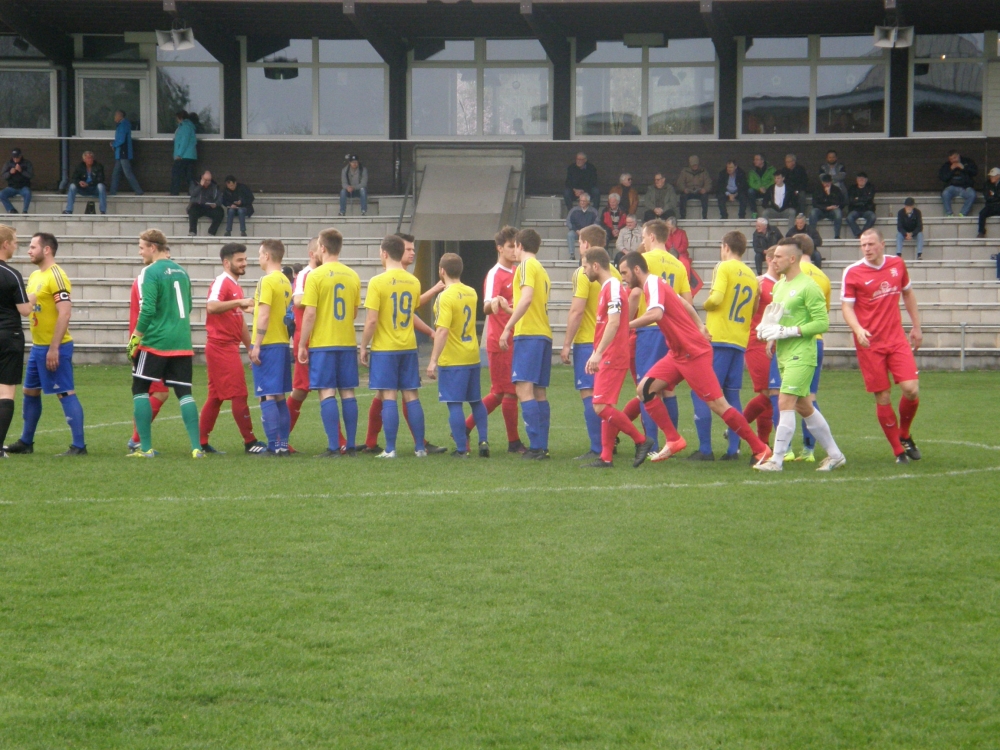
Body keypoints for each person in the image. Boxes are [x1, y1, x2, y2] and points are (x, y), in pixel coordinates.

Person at [623, 251, 770, 465]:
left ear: (636, 269)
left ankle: (760, 449)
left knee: (718, 404)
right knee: (645, 389)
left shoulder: (652, 284)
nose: (624, 278)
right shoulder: (656, 284)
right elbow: (684, 303)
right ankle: (673, 439)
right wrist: (700, 325)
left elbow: (655, 314)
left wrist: (625, 326)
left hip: (693, 353)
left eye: (625, 272)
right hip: (678, 353)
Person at [754, 238, 845, 472]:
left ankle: (776, 460)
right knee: (804, 407)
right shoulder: (779, 286)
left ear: (792, 259)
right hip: (784, 353)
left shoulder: (809, 286)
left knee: (784, 401)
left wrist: (790, 331)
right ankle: (836, 455)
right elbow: (778, 319)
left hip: (803, 353)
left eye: (778, 257)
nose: (773, 261)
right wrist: (769, 333)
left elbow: (822, 323)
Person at [841, 228, 922, 464]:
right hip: (870, 344)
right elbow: (846, 307)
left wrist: (916, 327)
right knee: (883, 395)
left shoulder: (897, 264)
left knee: (911, 389)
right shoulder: (853, 271)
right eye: (863, 245)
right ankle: (898, 451)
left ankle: (904, 433)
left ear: (882, 244)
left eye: (871, 244)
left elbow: (908, 294)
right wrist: (858, 329)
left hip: (896, 339)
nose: (866, 249)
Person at [361, 233, 448, 455]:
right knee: (412, 395)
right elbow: (410, 312)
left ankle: (390, 449)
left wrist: (363, 346)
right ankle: (420, 448)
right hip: (408, 347)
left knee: (389, 396)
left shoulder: (377, 282)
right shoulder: (414, 281)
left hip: (385, 348)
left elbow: (371, 320)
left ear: (384, 253)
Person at [4, 233, 85, 456]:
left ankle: (79, 446)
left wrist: (54, 348)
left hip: (54, 347)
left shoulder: (57, 276)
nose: (28, 251)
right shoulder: (34, 276)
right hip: (38, 346)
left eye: (33, 247)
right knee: (30, 392)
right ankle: (26, 442)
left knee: (65, 392)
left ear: (46, 249)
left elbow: (65, 313)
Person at [125, 229, 202, 458]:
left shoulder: (149, 272)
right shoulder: (182, 271)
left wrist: (135, 338)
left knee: (140, 389)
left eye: (141, 248)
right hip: (182, 342)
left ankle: (145, 448)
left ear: (152, 247)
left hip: (155, 342)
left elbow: (147, 309)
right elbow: (189, 306)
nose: (140, 253)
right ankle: (196, 448)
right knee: (184, 392)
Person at [579, 247, 654, 469]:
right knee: (607, 405)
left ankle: (641, 440)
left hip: (612, 354)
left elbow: (613, 322)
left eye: (585, 266)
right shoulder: (609, 287)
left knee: (600, 406)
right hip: (611, 353)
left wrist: (598, 353)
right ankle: (606, 457)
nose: (584, 271)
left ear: (595, 266)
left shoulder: (612, 287)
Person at [691, 230, 759, 460]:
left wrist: (705, 305)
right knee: (732, 396)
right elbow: (754, 308)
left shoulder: (724, 267)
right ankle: (733, 449)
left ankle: (705, 450)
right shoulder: (751, 275)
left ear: (726, 247)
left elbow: (717, 299)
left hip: (718, 337)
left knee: (702, 392)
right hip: (739, 340)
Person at [297, 228, 362, 457]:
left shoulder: (315, 276)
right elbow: (353, 312)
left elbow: (310, 313)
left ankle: (334, 446)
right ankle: (351, 445)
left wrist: (302, 344)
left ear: (322, 248)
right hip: (346, 341)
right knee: (348, 392)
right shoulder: (353, 275)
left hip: (323, 343)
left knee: (326, 391)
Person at [198, 243, 267, 455]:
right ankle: (250, 442)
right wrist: (238, 301)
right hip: (220, 346)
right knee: (239, 393)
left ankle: (200, 441)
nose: (244, 263)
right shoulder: (222, 282)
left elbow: (238, 321)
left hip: (227, 346)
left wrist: (250, 347)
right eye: (240, 260)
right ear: (227, 263)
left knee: (216, 396)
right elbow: (211, 306)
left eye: (245, 259)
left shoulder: (235, 285)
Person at [561, 225, 622, 460]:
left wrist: (567, 343)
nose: (579, 247)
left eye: (580, 243)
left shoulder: (583, 273)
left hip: (589, 341)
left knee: (589, 394)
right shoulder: (614, 272)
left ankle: (598, 447)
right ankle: (609, 442)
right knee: (604, 397)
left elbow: (577, 310)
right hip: (610, 341)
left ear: (586, 244)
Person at [631, 219, 691, 451]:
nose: (643, 241)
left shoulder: (643, 260)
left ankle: (652, 445)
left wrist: (627, 322)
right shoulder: (679, 264)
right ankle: (671, 441)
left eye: (643, 237)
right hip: (672, 329)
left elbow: (635, 292)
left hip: (649, 328)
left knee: (646, 386)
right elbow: (687, 301)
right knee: (668, 388)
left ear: (652, 237)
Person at [465, 226, 524, 453]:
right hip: (500, 340)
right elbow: (486, 306)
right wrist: (495, 302)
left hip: (513, 338)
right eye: (510, 246)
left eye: (516, 246)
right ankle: (513, 442)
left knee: (500, 392)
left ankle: (464, 427)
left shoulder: (517, 271)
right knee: (508, 392)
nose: (514, 250)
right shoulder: (495, 273)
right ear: (499, 248)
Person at [426, 253, 489, 458]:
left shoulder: (445, 297)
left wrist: (433, 360)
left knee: (454, 403)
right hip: (472, 354)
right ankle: (483, 441)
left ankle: (462, 449)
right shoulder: (471, 292)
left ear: (441, 271)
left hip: (453, 358)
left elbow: (442, 330)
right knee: (476, 401)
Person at [499, 228, 551, 460]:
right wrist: (509, 309)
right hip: (542, 333)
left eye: (515, 246)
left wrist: (507, 327)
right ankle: (542, 446)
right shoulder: (541, 269)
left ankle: (536, 447)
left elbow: (527, 298)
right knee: (539, 391)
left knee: (523, 389)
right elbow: (531, 305)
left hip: (528, 335)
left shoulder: (525, 266)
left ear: (520, 245)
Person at [248, 239, 293, 456]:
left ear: (267, 256)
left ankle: (273, 445)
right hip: (282, 342)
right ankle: (283, 444)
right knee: (280, 396)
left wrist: (256, 345)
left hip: (268, 343)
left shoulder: (266, 281)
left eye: (259, 254)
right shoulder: (285, 280)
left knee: (266, 395)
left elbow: (265, 315)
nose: (258, 258)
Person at [125, 244, 171, 453]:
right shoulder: (148, 279)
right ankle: (136, 439)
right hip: (149, 344)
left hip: (151, 342)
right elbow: (146, 313)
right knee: (158, 392)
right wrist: (137, 343)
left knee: (148, 392)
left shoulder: (148, 278)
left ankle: (137, 439)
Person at [792, 233, 832, 462]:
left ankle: (783, 449)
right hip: (817, 340)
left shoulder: (793, 271)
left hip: (796, 339)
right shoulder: (823, 277)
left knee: (785, 395)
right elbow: (823, 313)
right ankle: (809, 449)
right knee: (809, 396)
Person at [741, 244, 779, 448]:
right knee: (768, 393)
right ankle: (753, 437)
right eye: (777, 258)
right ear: (769, 260)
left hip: (779, 343)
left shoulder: (785, 285)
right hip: (757, 342)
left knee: (775, 393)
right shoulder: (759, 283)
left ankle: (741, 430)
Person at [0, 226, 31, 456]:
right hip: (9, 336)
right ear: (5, 244)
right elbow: (24, 310)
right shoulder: (11, 274)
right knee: (6, 391)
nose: (16, 246)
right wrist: (35, 298)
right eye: (15, 242)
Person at [287, 239, 321, 441]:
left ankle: (340, 442)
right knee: (300, 390)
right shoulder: (305, 275)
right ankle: (280, 437)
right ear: (312, 253)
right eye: (321, 249)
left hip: (324, 340)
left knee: (327, 389)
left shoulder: (328, 274)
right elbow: (298, 300)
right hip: (306, 341)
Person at [109, 110, 143, 196]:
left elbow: (121, 140)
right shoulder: (122, 125)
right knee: (116, 173)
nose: (114, 117)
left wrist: (114, 144)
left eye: (115, 115)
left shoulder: (123, 125)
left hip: (123, 152)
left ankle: (138, 191)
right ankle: (112, 192)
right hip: (120, 153)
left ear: (120, 116)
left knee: (127, 173)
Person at [63, 151, 107, 215]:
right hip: (83, 189)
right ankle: (69, 210)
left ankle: (103, 211)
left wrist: (88, 184)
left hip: (94, 188)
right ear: (84, 160)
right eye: (88, 158)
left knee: (101, 186)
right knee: (72, 186)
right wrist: (79, 182)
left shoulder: (98, 166)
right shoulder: (79, 167)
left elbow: (100, 179)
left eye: (91, 158)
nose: (90, 160)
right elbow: (73, 178)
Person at [938, 149, 977, 217]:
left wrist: (964, 168)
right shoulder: (947, 165)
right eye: (951, 159)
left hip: (965, 187)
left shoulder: (967, 162)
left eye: (955, 158)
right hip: (952, 187)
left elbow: (975, 172)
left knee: (972, 194)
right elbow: (943, 178)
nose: (954, 160)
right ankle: (949, 214)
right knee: (945, 193)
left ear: (958, 156)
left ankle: (963, 213)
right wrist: (951, 170)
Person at [188, 171, 224, 236]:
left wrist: (216, 204)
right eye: (206, 180)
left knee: (220, 212)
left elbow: (220, 198)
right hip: (198, 205)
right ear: (202, 178)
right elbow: (192, 194)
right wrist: (200, 185)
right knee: (192, 210)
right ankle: (192, 231)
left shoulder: (214, 186)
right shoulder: (194, 183)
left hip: (210, 207)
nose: (207, 182)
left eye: (209, 180)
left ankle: (211, 232)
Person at [170, 111, 198, 196]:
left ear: (180, 117)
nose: (176, 120)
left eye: (177, 118)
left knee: (176, 172)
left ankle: (174, 192)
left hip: (183, 155)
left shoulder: (184, 127)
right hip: (191, 155)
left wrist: (179, 154)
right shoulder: (190, 126)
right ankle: (192, 192)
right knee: (189, 175)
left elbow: (184, 141)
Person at [808, 174, 844, 239]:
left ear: (831, 182)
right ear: (822, 182)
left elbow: (840, 202)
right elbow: (815, 203)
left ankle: (837, 235)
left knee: (838, 212)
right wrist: (826, 208)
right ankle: (812, 234)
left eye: (828, 182)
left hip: (832, 211)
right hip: (821, 211)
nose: (827, 184)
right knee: (813, 212)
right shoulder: (818, 189)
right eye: (825, 182)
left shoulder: (836, 190)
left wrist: (829, 195)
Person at [676, 155, 712, 220]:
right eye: (693, 165)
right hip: (688, 192)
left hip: (699, 192)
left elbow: (708, 182)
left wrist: (705, 189)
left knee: (705, 196)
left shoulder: (703, 171)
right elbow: (680, 183)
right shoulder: (684, 171)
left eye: (696, 165)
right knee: (682, 197)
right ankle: (683, 216)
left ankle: (704, 216)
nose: (695, 166)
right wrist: (684, 189)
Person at [565, 193, 599, 261]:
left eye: (584, 201)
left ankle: (589, 255)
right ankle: (572, 255)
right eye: (581, 201)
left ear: (588, 202)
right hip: (576, 232)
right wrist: (576, 230)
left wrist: (586, 231)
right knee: (570, 235)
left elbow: (596, 223)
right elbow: (568, 222)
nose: (582, 202)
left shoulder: (593, 211)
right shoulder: (574, 210)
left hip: (588, 233)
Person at [1, 148, 33, 214]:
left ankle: (25, 211)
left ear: (20, 156)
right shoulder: (8, 164)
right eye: (14, 158)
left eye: (17, 157)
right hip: (12, 187)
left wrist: (21, 171)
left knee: (28, 193)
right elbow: (3, 176)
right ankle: (11, 209)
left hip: (23, 187)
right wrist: (10, 173)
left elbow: (30, 175)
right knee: (1, 194)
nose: (15, 160)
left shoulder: (27, 163)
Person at [846, 172, 877, 238]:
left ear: (866, 180)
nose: (861, 180)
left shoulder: (870, 188)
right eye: (859, 179)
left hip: (867, 209)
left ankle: (863, 233)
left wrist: (857, 199)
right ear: (857, 180)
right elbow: (851, 200)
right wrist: (862, 200)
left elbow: (869, 199)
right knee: (849, 217)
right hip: (855, 209)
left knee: (872, 217)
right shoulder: (852, 188)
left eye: (863, 179)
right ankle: (858, 233)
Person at [747, 153, 775, 218]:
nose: (754, 161)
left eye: (757, 159)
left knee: (774, 189)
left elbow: (774, 180)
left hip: (768, 190)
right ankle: (754, 212)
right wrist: (759, 188)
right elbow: (751, 183)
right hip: (757, 191)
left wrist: (765, 187)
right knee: (750, 191)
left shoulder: (771, 169)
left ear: (762, 161)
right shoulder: (752, 171)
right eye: (754, 160)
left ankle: (772, 211)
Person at [977, 167, 1000, 238]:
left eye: (993, 176)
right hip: (991, 205)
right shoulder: (987, 184)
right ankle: (981, 232)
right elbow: (987, 197)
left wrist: (994, 195)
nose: (991, 177)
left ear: (998, 176)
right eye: (990, 176)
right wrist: (996, 197)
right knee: (982, 213)